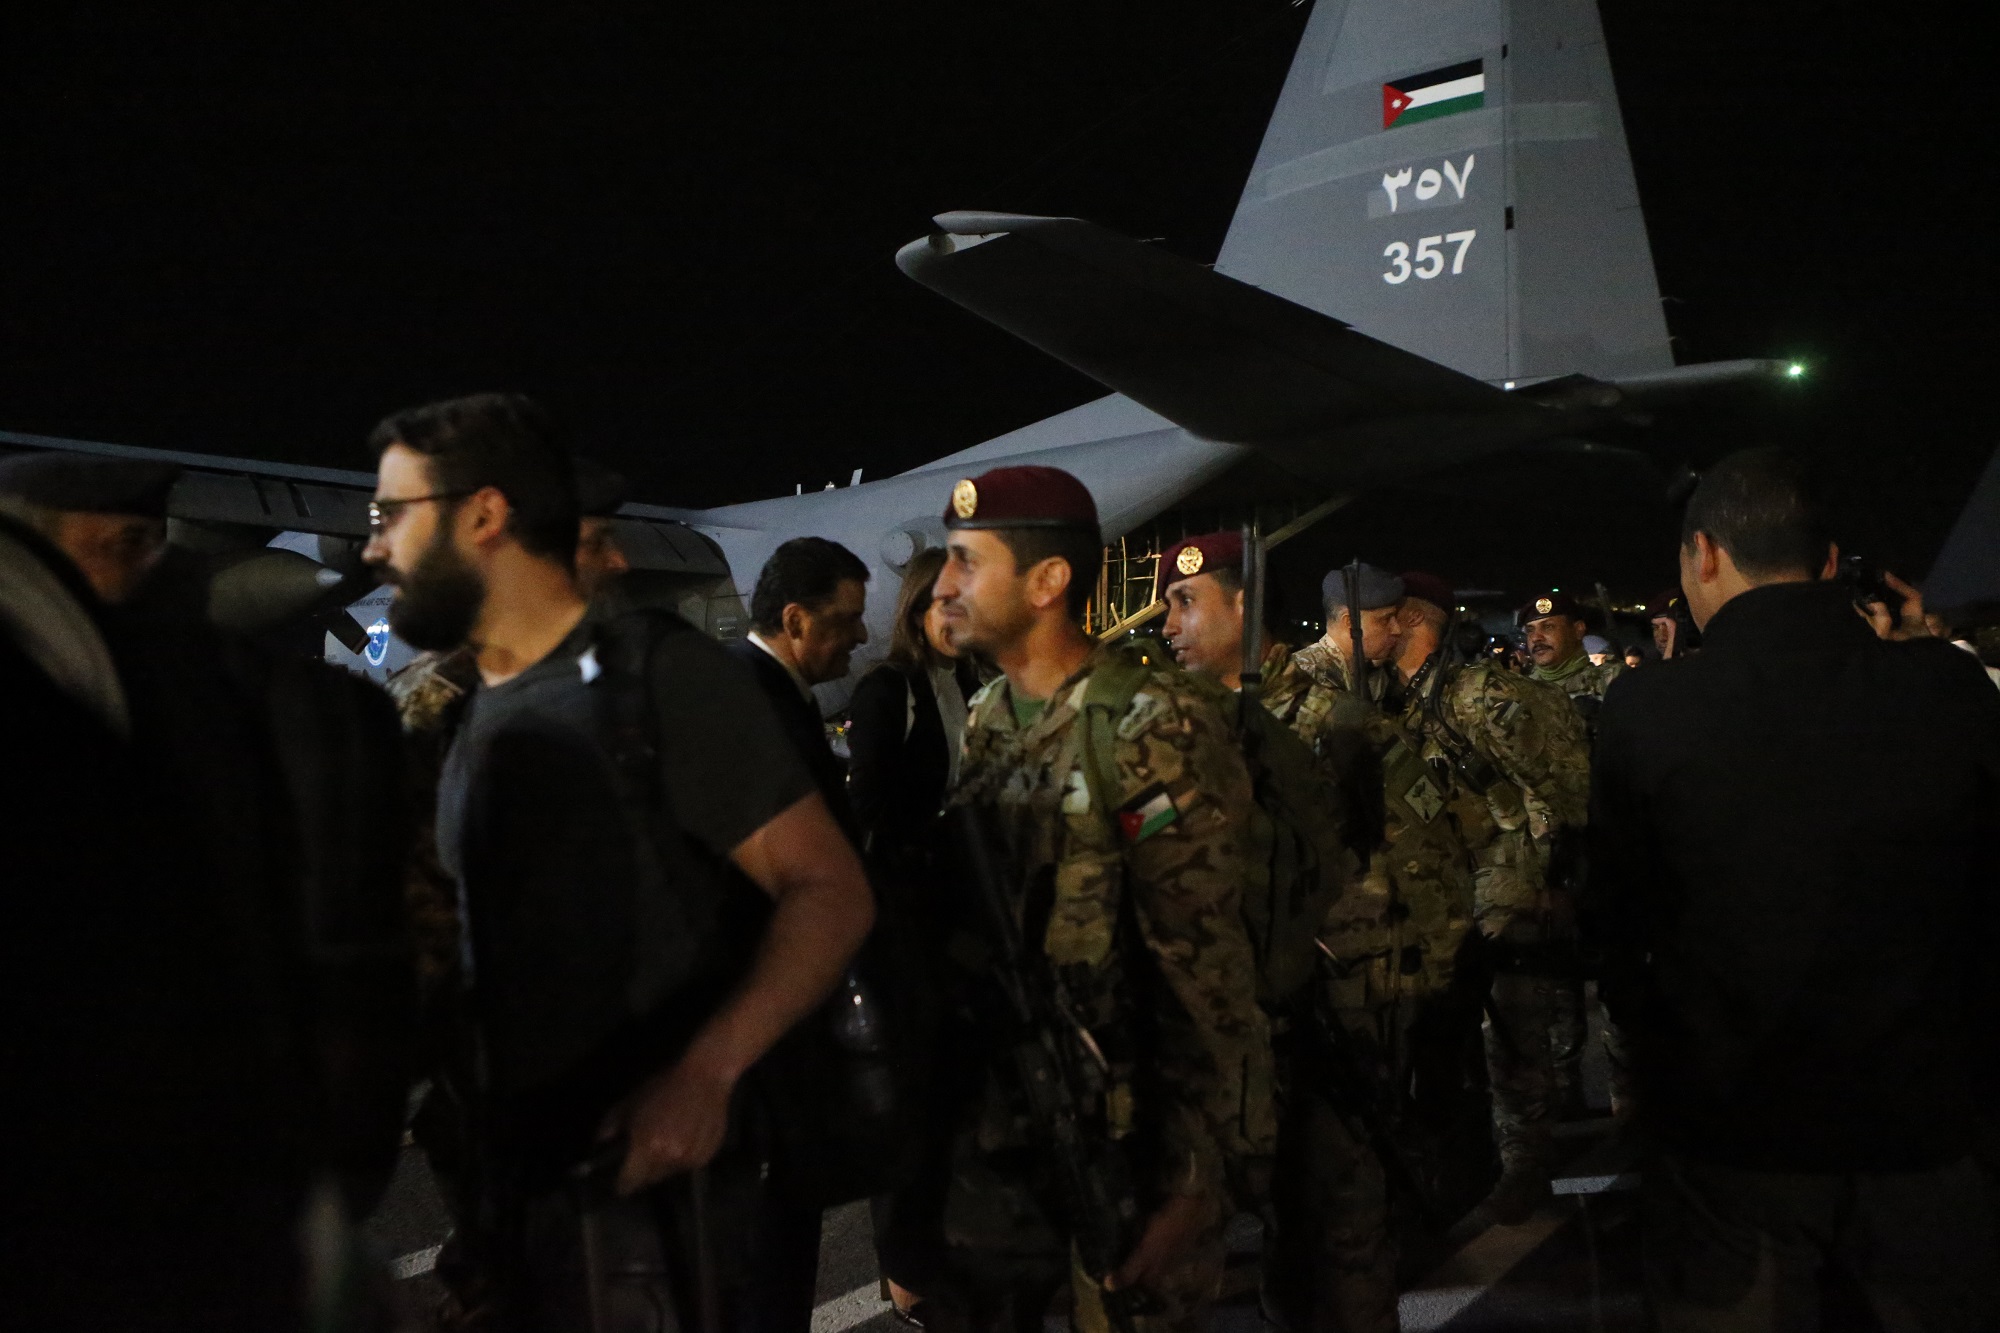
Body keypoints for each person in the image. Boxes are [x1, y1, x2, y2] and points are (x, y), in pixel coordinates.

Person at [362, 392, 874, 1330]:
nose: (372, 548)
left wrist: (707, 1072)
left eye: (392, 515)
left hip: (651, 1215)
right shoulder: (457, 708)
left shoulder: (658, 680)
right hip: (517, 1192)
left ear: (484, 519)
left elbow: (830, 890)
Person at [1588, 447, 2000, 1330]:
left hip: (1734, 1129)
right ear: (1828, 561)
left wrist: (1665, 1053)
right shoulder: (1951, 689)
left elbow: (1617, 925)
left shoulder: (1652, 709)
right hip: (1924, 1120)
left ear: (1705, 554)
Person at [931, 468, 1274, 1333]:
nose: (942, 587)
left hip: (1132, 1137)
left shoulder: (1155, 720)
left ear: (1047, 581)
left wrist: (1196, 1179)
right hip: (1014, 1120)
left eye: (968, 562)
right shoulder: (988, 716)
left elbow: (1207, 965)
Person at [1390, 572, 1591, 1225]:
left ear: (1412, 620)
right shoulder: (1396, 697)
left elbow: (1560, 789)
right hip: (1439, 890)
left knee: (1511, 1029)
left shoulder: (1488, 694)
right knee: (1454, 1039)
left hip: (1504, 885)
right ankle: (1468, 1163)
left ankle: (1525, 1164)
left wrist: (1550, 878)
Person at [845, 547, 982, 1322]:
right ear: (916, 609)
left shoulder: (973, 684)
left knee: (954, 1102)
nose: (957, 616)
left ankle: (945, 1254)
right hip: (905, 932)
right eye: (943, 602)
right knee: (907, 1108)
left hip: (964, 930)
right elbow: (866, 813)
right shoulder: (887, 689)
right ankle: (907, 1280)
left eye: (968, 602)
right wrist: (944, 828)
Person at [727, 536, 872, 829]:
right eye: (848, 620)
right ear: (795, 622)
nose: (862, 635)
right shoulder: (748, 703)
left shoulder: (773, 689)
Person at [1518, 591, 1623, 729]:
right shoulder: (1519, 690)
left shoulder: (1612, 683)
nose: (1536, 638)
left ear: (1578, 630)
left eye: (1548, 627)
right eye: (1530, 630)